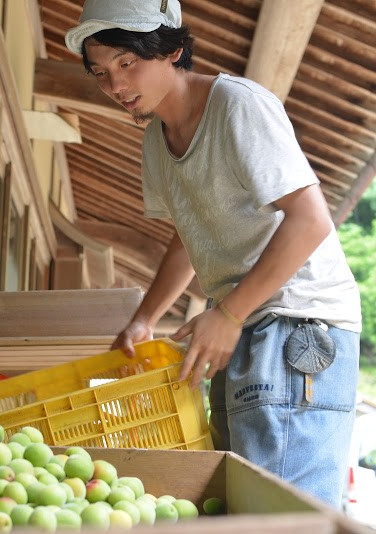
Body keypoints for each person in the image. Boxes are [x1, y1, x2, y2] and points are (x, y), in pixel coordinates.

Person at [65, 0, 361, 507]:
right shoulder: (156, 143)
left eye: (126, 62)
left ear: (172, 49)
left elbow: (312, 220)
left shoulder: (237, 105)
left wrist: (227, 312)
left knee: (283, 513)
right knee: (240, 500)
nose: (114, 85)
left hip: (297, 323)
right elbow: (189, 233)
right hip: (239, 322)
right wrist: (145, 318)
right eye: (101, 72)